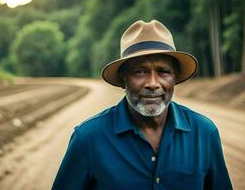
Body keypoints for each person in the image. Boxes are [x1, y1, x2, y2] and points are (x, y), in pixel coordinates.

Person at [52, 20, 233, 190]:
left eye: (163, 71)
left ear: (175, 78)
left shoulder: (204, 133)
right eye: (140, 72)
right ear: (123, 79)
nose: (153, 84)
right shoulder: (88, 138)